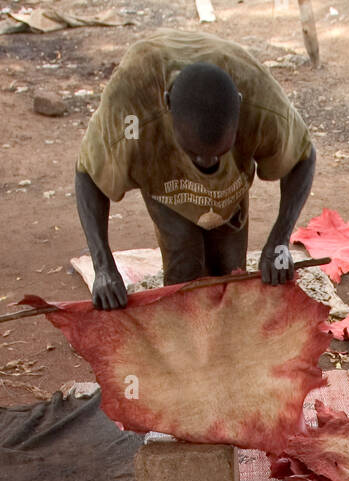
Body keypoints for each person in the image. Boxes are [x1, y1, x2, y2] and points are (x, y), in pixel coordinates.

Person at [75, 31, 316, 309]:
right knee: (184, 278)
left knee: (229, 280)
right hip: (166, 180)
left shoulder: (261, 101)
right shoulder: (130, 108)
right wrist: (103, 267)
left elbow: (303, 157)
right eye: (195, 154)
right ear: (167, 104)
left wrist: (279, 241)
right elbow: (88, 175)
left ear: (239, 105)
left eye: (218, 153)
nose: (206, 164)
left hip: (231, 188)